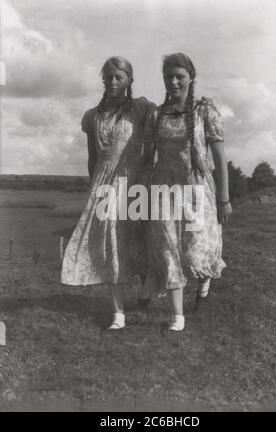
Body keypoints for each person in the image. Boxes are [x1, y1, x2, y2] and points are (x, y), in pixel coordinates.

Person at [139, 53, 232, 331]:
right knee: (168, 251)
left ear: (191, 78)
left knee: (195, 253)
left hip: (197, 190)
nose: (174, 81)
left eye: (179, 75)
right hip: (163, 191)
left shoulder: (205, 113)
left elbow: (219, 158)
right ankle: (177, 316)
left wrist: (224, 198)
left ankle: (203, 287)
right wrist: (140, 195)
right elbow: (147, 159)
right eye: (169, 76)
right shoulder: (156, 115)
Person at [61, 56, 155, 330]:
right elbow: (93, 159)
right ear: (103, 80)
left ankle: (147, 291)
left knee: (140, 241)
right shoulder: (92, 117)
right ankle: (118, 313)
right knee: (111, 243)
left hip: (134, 183)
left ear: (129, 80)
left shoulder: (141, 109)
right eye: (109, 77)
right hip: (104, 186)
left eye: (119, 77)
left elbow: (159, 132)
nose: (113, 82)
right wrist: (96, 190)